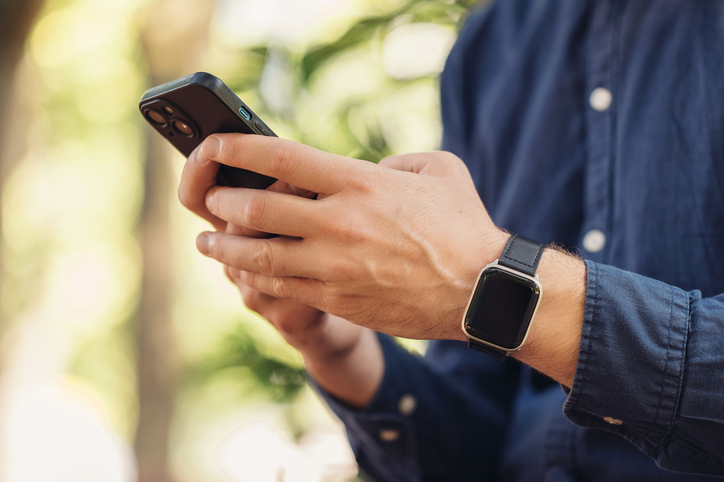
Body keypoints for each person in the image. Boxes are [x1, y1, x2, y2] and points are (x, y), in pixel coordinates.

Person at [177, 1, 724, 480]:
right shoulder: (489, 48)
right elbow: (476, 442)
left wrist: (492, 281)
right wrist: (338, 346)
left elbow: (477, 283)